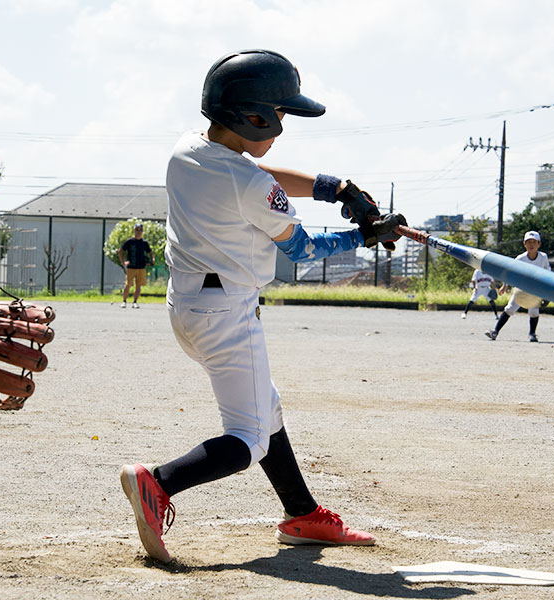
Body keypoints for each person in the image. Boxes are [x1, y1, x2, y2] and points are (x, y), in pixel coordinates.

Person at [119, 49, 407, 563]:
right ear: (250, 117)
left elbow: (254, 171)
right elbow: (303, 250)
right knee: (249, 438)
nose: (282, 124)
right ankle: (158, 482)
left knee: (265, 407)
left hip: (186, 306)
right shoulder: (251, 186)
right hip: (227, 314)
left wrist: (333, 188)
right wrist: (363, 234)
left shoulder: (187, 149)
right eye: (278, 115)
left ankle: (302, 514)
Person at [485, 230, 550, 342]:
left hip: (535, 289)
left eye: (534, 242)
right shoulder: (520, 258)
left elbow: (548, 273)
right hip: (521, 288)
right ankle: (495, 331)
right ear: (524, 244)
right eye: (528, 242)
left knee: (534, 311)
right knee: (509, 309)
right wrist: (504, 286)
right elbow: (510, 272)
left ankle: (532, 334)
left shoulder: (543, 257)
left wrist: (547, 292)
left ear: (539, 244)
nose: (531, 245)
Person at [119, 223, 154, 308]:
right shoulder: (130, 241)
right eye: (137, 230)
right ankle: (124, 301)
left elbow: (150, 253)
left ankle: (135, 302)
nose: (138, 232)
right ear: (134, 231)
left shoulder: (144, 243)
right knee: (128, 285)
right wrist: (123, 262)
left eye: (140, 230)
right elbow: (120, 251)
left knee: (138, 286)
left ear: (142, 232)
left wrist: (152, 260)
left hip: (141, 267)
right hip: (131, 267)